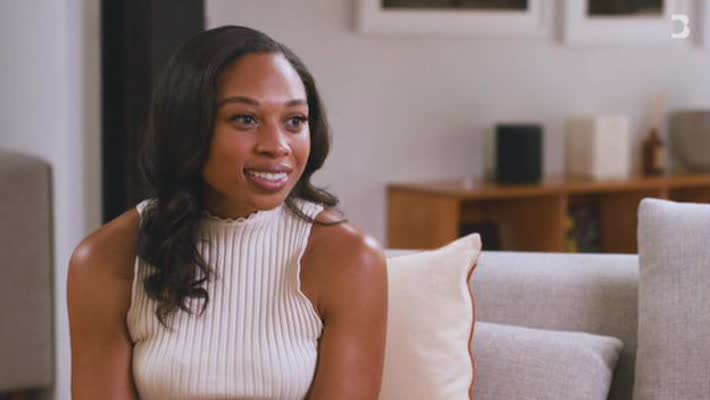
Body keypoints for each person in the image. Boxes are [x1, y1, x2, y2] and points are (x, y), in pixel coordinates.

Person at [67, 25, 388, 400]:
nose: (277, 146)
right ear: (188, 127)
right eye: (245, 119)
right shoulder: (106, 258)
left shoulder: (348, 258)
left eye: (294, 121)